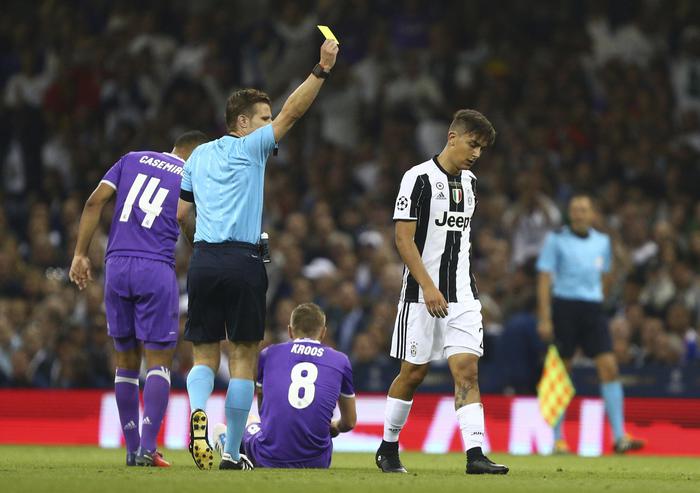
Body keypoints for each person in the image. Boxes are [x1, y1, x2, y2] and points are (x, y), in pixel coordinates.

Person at [177, 39, 339, 471]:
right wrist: (320, 70)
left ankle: (196, 412)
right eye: (263, 119)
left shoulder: (197, 157)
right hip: (244, 260)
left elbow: (180, 214)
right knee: (244, 357)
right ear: (243, 123)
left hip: (204, 260)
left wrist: (206, 237)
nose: (271, 126)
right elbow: (295, 112)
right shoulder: (251, 147)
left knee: (204, 355)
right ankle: (230, 452)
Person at [375, 109, 508, 475]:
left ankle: (475, 455)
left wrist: (449, 289)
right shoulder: (417, 178)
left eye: (482, 148)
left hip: (463, 295)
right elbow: (403, 239)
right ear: (452, 137)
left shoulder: (471, 184)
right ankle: (388, 447)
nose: (477, 153)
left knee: (466, 371)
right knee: (413, 373)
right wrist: (429, 286)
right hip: (421, 295)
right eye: (472, 143)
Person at [69, 131, 208, 467]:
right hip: (155, 267)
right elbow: (183, 220)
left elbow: (93, 202)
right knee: (159, 360)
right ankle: (148, 446)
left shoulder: (130, 159)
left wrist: (80, 255)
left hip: (116, 265)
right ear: (196, 154)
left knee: (126, 360)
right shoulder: (190, 175)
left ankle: (131, 450)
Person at [536, 193, 645, 454]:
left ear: (592, 214)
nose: (578, 214)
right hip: (564, 306)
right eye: (574, 209)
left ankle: (619, 437)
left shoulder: (602, 242)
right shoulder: (556, 240)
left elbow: (607, 275)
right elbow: (543, 279)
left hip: (592, 309)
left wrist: (599, 298)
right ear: (569, 213)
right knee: (561, 371)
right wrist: (545, 317)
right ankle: (557, 439)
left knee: (609, 367)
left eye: (583, 209)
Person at [212, 302, 356, 468]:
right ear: (323, 332)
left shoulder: (269, 354)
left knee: (249, 421)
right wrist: (335, 426)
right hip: (318, 461)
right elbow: (350, 422)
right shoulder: (341, 360)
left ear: (289, 330)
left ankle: (228, 445)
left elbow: (263, 411)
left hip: (268, 456)